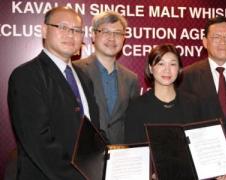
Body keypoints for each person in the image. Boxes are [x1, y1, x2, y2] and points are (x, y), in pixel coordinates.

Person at [7, 7, 99, 179]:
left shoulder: (84, 79)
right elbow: (39, 142)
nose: (71, 34)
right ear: (44, 30)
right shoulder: (27, 75)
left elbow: (94, 131)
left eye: (77, 30)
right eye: (63, 27)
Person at [74, 11, 139, 144]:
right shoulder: (76, 70)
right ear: (93, 35)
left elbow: (132, 122)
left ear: (124, 38)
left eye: (118, 33)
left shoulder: (131, 78)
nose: (112, 38)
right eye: (105, 32)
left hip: (119, 155)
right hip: (84, 152)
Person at [124, 44, 201, 144]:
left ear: (179, 69)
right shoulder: (137, 107)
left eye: (172, 64)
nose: (167, 70)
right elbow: (133, 150)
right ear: (151, 68)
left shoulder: (192, 104)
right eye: (161, 64)